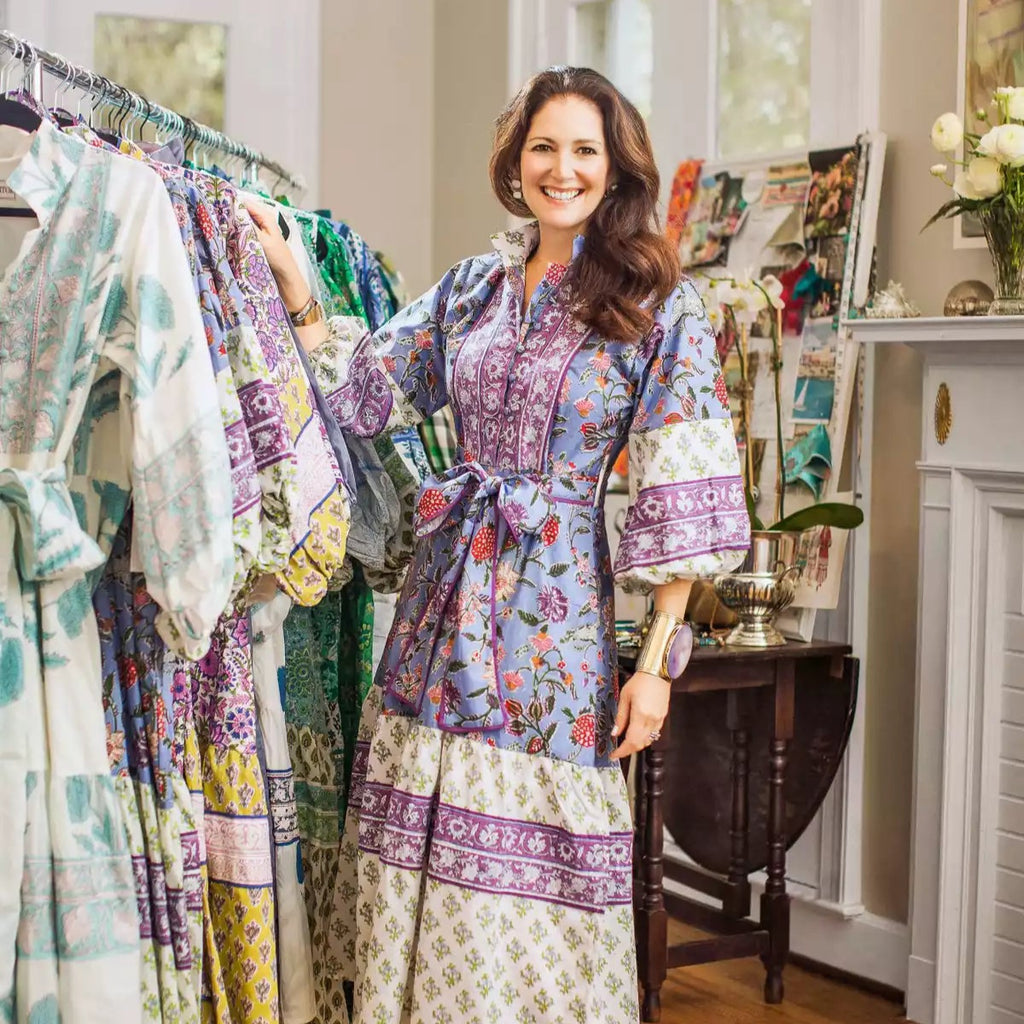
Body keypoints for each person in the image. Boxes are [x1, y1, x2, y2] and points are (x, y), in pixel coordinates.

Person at [247, 65, 749, 1024]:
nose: (563, 169)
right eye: (543, 147)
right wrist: (299, 290)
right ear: (516, 164)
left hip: (553, 627)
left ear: (616, 167)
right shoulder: (473, 288)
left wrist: (655, 665)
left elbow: (682, 479)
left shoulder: (659, 303)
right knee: (416, 822)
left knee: (535, 852)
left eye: (585, 150)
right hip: (438, 606)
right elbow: (365, 395)